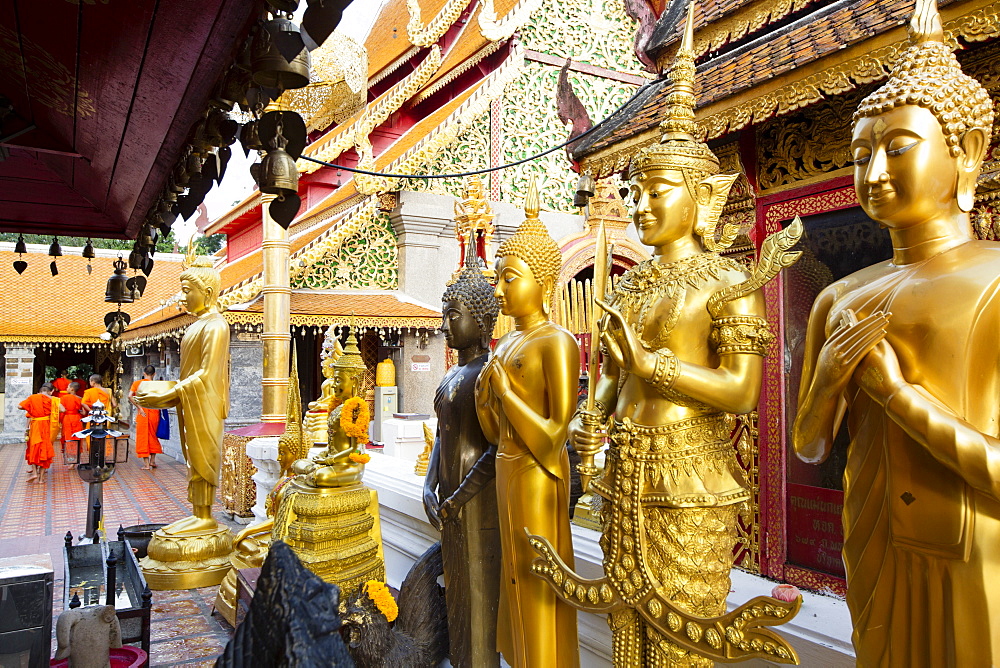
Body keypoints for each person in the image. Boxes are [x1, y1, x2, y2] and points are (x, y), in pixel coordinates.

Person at [792, 0, 1000, 663]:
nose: (873, 174)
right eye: (861, 155)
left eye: (897, 148)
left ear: (966, 153)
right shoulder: (838, 298)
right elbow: (807, 444)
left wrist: (896, 397)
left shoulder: (995, 284)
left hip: (974, 553)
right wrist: (826, 380)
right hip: (875, 540)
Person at [474, 179, 580, 668]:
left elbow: (556, 435)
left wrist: (507, 397)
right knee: (511, 576)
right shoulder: (509, 344)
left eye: (509, 278)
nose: (498, 290)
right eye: (498, 278)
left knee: (538, 581)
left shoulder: (556, 343)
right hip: (507, 467)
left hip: (539, 476)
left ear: (542, 281)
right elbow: (495, 432)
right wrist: (486, 402)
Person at [423, 244, 502, 668]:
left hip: (478, 504)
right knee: (456, 595)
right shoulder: (454, 373)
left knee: (479, 598)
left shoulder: (491, 374)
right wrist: (429, 485)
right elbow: (442, 435)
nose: (445, 325)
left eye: (454, 315)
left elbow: (497, 447)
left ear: (483, 320)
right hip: (451, 503)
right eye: (445, 314)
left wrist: (461, 496)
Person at [134, 259, 229, 536]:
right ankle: (198, 513)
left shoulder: (216, 326)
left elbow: (208, 374)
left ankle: (205, 516)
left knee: (203, 456)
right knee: (192, 458)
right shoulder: (195, 326)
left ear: (208, 293)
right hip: (192, 401)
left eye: (188, 290)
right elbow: (191, 372)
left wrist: (171, 393)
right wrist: (164, 391)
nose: (183, 297)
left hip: (206, 402)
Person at [19, 383, 60, 483]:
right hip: (46, 426)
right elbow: (62, 409)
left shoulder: (33, 398)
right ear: (50, 392)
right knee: (45, 449)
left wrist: (30, 408)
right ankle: (41, 479)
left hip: (35, 426)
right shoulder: (53, 400)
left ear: (39, 392)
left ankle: (34, 473)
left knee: (34, 448)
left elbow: (20, 406)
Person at [129, 365, 162, 470]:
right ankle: (153, 461)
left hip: (142, 412)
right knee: (153, 435)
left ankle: (146, 464)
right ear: (154, 374)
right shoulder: (157, 385)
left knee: (143, 437)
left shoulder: (137, 383)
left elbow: (130, 396)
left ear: (144, 373)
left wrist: (140, 407)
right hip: (154, 411)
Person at [60, 381, 85, 469]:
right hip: (77, 419)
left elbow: (61, 411)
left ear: (72, 389)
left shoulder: (64, 398)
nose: (66, 389)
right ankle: (76, 459)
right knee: (77, 438)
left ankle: (72, 460)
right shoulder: (80, 398)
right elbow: (84, 412)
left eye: (67, 387)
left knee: (69, 438)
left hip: (67, 418)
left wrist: (60, 420)